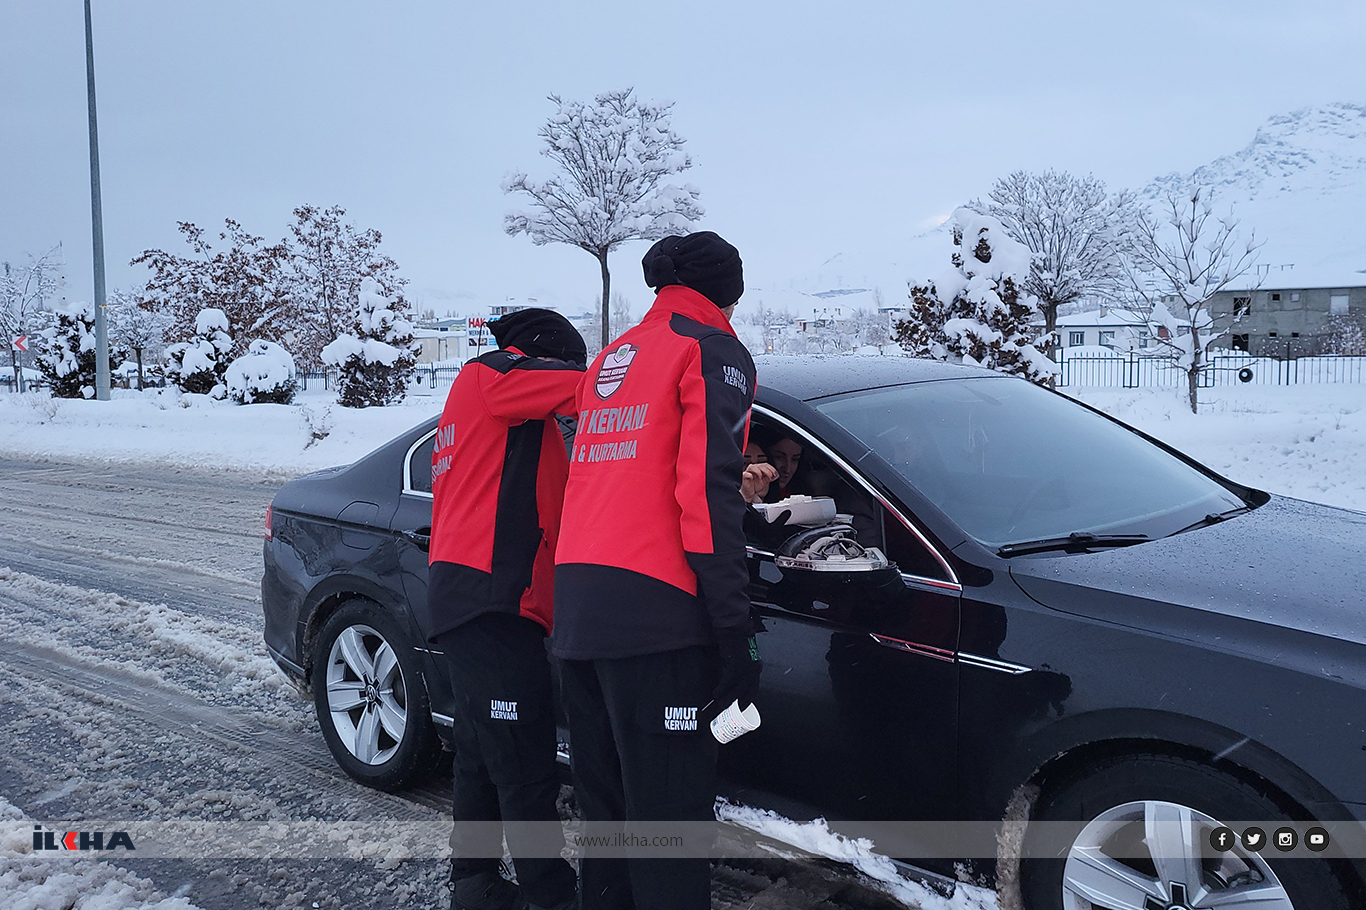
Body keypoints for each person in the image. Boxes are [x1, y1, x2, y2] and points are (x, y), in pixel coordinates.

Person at [552, 231, 761, 910]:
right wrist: (735, 630)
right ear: (728, 288)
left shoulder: (618, 352)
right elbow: (705, 495)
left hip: (581, 609)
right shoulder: (710, 349)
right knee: (667, 822)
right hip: (658, 617)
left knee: (608, 814)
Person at [426, 308, 586, 910]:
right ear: (536, 358)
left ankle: (474, 882)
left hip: (476, 598)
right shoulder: (493, 375)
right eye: (558, 365)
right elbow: (591, 387)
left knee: (481, 749)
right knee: (523, 758)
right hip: (492, 600)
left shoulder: (506, 418)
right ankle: (550, 896)